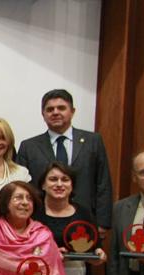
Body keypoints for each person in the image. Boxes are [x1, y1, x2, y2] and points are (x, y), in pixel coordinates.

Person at [16, 89, 113, 230]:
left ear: (72, 111)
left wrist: (103, 223)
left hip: (85, 221)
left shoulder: (93, 141)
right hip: (40, 223)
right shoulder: (29, 146)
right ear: (43, 114)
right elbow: (23, 187)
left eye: (61, 108)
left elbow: (103, 183)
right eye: (50, 109)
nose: (55, 112)